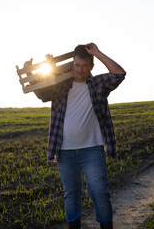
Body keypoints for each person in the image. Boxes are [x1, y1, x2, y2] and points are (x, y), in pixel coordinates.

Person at [25, 43, 126, 229]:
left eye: (85, 66)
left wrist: (97, 52)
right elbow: (40, 92)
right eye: (77, 65)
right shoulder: (60, 86)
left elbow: (119, 74)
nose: (80, 70)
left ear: (91, 66)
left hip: (93, 149)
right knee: (71, 193)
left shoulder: (98, 84)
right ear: (72, 65)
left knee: (100, 192)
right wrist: (30, 74)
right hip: (65, 151)